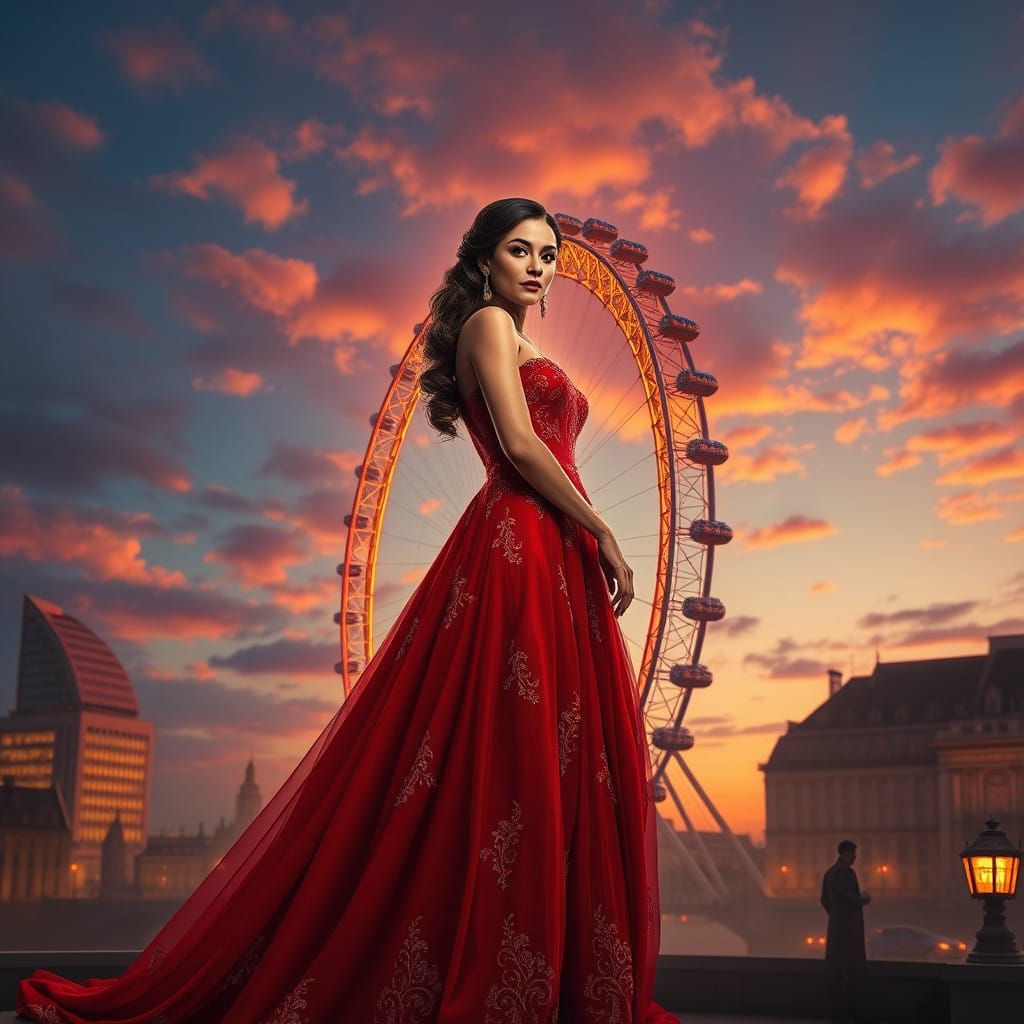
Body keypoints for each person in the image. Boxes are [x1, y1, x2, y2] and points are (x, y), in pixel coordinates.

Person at [16, 197, 678, 1023]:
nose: (540, 265)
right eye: (520, 250)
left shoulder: (523, 338)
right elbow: (515, 444)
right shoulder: (485, 327)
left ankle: (553, 977)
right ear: (484, 260)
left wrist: (584, 539)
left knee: (557, 750)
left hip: (556, 552)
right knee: (511, 751)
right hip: (520, 545)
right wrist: (602, 528)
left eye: (549, 253)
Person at [820, 839, 872, 1024]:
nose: (855, 857)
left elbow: (824, 899)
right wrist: (863, 899)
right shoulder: (847, 873)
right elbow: (847, 897)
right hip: (850, 930)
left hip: (835, 928)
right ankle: (851, 1013)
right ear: (846, 853)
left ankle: (834, 1013)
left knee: (835, 972)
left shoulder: (829, 873)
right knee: (852, 971)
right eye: (853, 853)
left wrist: (835, 914)